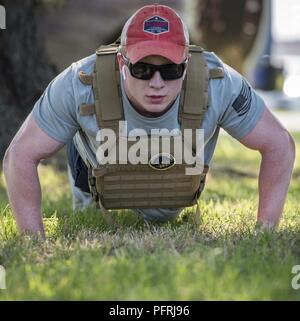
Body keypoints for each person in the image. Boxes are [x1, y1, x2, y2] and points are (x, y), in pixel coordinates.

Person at [2, 4, 295, 238]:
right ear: (121, 62)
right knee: (84, 125)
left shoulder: (217, 81)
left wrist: (265, 230)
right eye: (142, 69)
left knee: (163, 212)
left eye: (170, 70)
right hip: (96, 178)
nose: (157, 83)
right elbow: (20, 156)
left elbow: (279, 144)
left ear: (187, 63)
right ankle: (85, 197)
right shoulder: (79, 82)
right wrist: (33, 240)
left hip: (172, 198)